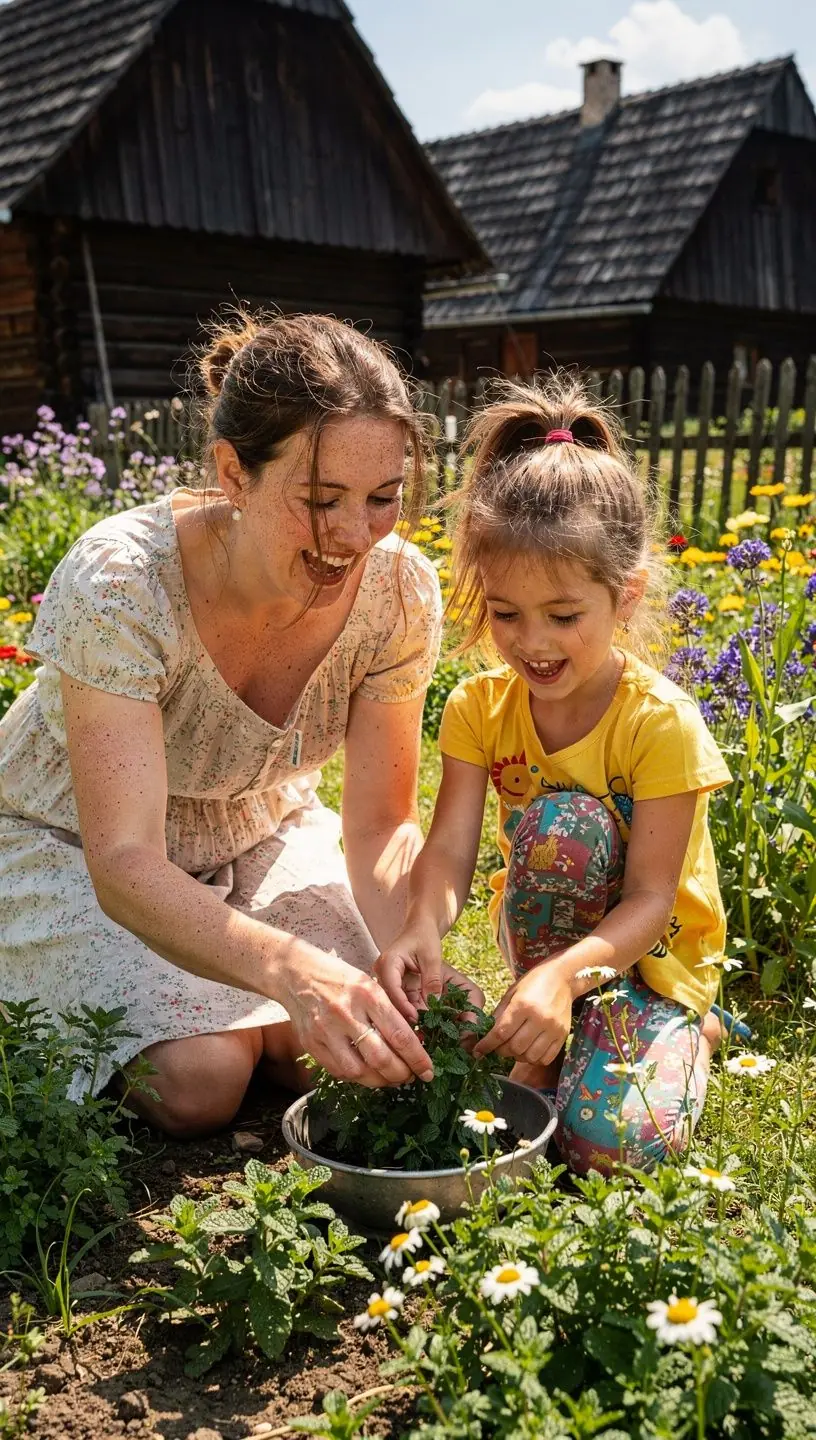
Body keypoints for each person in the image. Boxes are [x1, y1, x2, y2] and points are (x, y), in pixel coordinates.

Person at [0, 312, 480, 1136]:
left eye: (383, 497)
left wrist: (416, 938)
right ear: (233, 472)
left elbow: (378, 823)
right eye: (320, 499)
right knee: (201, 1078)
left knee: (357, 1035)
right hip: (68, 839)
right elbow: (123, 861)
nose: (352, 535)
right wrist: (293, 969)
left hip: (258, 828)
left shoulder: (398, 592)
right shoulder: (122, 581)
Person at [376, 374, 732, 1175]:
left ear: (625, 595)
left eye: (563, 616)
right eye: (505, 613)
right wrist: (421, 929)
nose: (531, 642)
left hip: (651, 959)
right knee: (554, 836)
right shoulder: (477, 707)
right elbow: (449, 855)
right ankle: (553, 1030)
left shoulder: (660, 723)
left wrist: (565, 980)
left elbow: (651, 899)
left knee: (610, 1150)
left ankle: (685, 1030)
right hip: (549, 949)